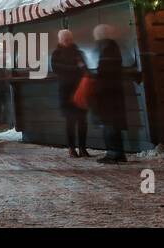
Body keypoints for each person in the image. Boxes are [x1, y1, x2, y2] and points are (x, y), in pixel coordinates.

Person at [93, 24, 130, 164]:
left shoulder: (107, 48)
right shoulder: (111, 47)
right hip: (113, 91)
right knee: (112, 123)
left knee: (110, 123)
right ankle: (117, 153)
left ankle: (114, 153)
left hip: (108, 93)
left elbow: (105, 71)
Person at [51, 29, 90, 158]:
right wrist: (75, 68)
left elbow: (84, 69)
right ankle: (72, 148)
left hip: (80, 90)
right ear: (60, 40)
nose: (67, 40)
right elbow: (57, 68)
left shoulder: (78, 53)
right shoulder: (56, 54)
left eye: (69, 38)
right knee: (70, 121)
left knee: (82, 120)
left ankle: (83, 148)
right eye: (65, 38)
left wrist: (77, 70)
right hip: (66, 91)